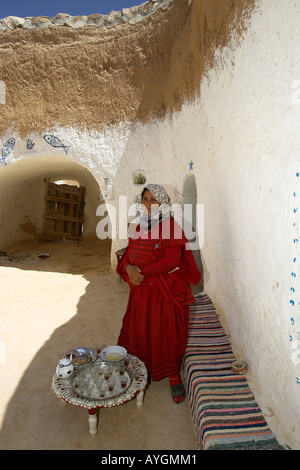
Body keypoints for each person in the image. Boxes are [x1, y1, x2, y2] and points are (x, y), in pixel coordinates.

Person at [117, 184, 201, 403]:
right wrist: (128, 269)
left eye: (154, 199)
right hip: (142, 290)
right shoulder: (137, 226)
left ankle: (174, 376)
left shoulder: (171, 226)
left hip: (164, 291)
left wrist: (142, 272)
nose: (148, 203)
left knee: (165, 331)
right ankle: (143, 370)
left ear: (163, 203)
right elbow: (129, 253)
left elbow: (172, 260)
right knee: (142, 329)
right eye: (145, 199)